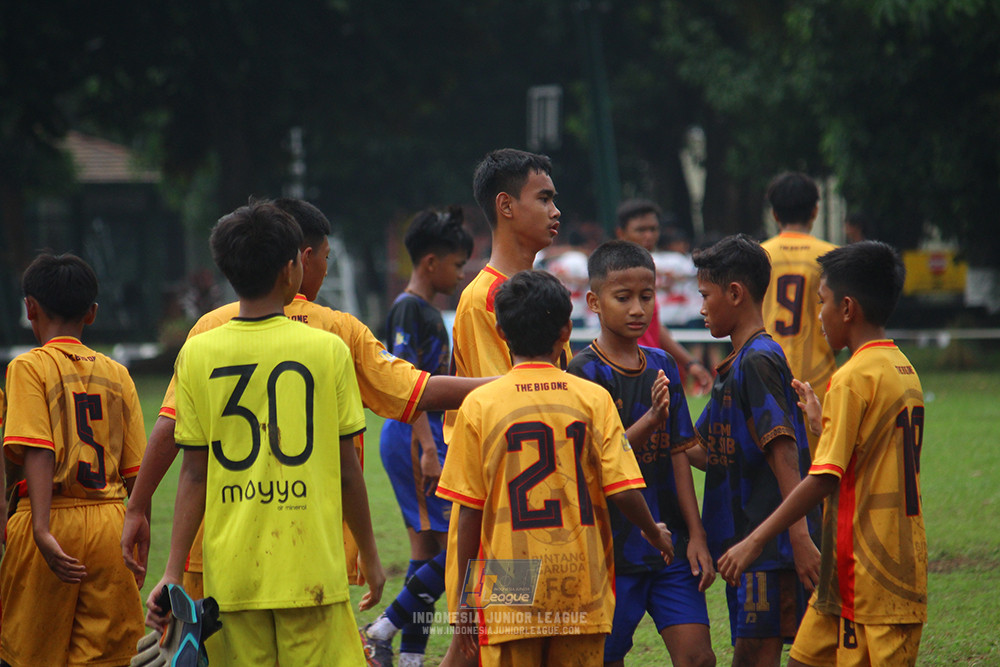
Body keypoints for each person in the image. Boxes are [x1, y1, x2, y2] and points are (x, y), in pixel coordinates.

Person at [121, 198, 489, 601]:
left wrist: (137, 507)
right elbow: (417, 390)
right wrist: (510, 384)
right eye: (327, 258)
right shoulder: (336, 333)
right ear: (299, 259)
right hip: (307, 549)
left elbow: (172, 430)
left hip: (217, 551)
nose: (327, 268)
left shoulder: (208, 331)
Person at [144, 200, 384, 665]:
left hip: (232, 576)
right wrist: (371, 559)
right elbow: (348, 473)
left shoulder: (197, 353)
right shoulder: (328, 349)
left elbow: (193, 475)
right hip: (311, 568)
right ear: (291, 268)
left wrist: (173, 572)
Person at [437, 270, 674, 666]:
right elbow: (623, 489)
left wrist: (466, 600)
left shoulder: (479, 405)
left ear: (500, 329)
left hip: (509, 582)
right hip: (580, 578)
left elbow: (468, 514)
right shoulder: (592, 399)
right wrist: (655, 533)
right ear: (566, 330)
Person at [718, 241, 925, 667]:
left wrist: (755, 540)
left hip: (875, 574)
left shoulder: (851, 378)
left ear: (847, 309)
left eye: (822, 302)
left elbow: (825, 478)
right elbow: (868, 457)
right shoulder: (901, 368)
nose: (818, 315)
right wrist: (822, 427)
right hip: (844, 575)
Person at [567, 240, 716, 667]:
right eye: (623, 297)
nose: (637, 309)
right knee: (606, 658)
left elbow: (678, 454)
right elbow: (595, 464)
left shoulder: (663, 364)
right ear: (594, 302)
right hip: (613, 549)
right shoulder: (583, 372)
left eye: (646, 296)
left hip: (670, 545)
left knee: (699, 658)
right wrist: (650, 419)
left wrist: (697, 535)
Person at [0, 253, 146, 665]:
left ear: (30, 307)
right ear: (92, 313)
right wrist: (139, 522)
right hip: (110, 522)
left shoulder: (28, 366)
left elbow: (38, 448)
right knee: (106, 657)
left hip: (49, 515)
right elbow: (136, 467)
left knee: (31, 653)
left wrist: (43, 529)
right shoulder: (118, 373)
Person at [691, 234, 821, 667]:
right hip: (745, 544)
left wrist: (800, 539)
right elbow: (703, 451)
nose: (701, 307)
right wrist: (653, 419)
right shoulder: (733, 364)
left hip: (771, 546)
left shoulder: (758, 360)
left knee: (755, 654)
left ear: (734, 293)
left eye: (705, 295)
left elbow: (783, 449)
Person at [368, 206, 473, 667]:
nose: (460, 273)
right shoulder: (409, 308)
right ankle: (381, 628)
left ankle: (408, 658)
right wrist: (429, 449)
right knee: (459, 545)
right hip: (417, 438)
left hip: (416, 437)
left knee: (426, 550)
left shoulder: (424, 309)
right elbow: (406, 382)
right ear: (431, 262)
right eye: (456, 264)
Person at [760, 172, 838, 455]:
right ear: (815, 211)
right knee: (821, 467)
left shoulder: (758, 256)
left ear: (774, 213)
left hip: (765, 373)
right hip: (818, 377)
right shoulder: (833, 257)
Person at [615, 199, 713, 394]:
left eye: (653, 229)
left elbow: (654, 326)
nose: (649, 235)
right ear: (621, 233)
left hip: (651, 367)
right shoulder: (615, 272)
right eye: (641, 230)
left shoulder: (647, 267)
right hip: (629, 372)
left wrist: (689, 362)